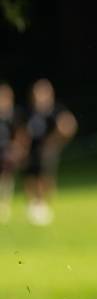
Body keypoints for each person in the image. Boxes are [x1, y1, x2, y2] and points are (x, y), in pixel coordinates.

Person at [23, 79, 78, 225]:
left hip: (47, 151)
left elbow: (68, 125)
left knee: (45, 177)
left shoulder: (55, 110)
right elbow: (23, 131)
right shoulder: (29, 112)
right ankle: (32, 206)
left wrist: (54, 141)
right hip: (31, 150)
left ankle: (44, 206)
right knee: (30, 176)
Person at [0, 83, 26, 223]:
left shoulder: (14, 115)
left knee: (6, 179)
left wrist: (16, 149)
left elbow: (20, 134)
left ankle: (4, 205)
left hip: (7, 152)